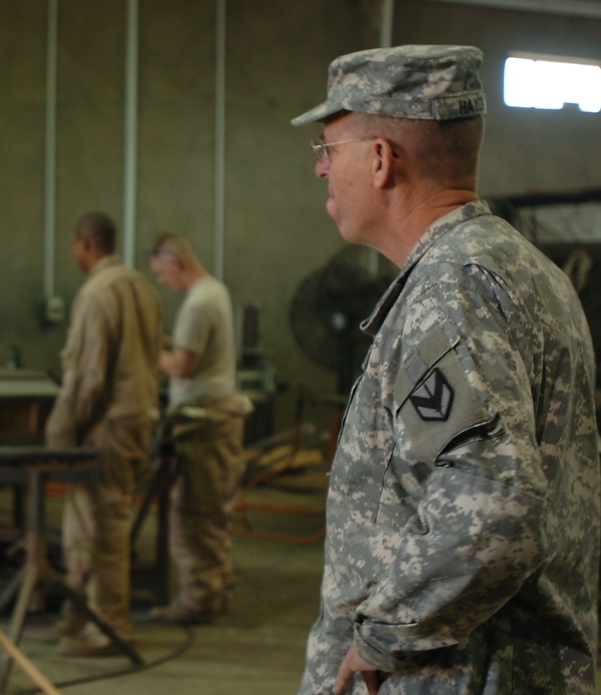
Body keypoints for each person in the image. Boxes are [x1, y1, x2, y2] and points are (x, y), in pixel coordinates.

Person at [291, 44, 599, 694]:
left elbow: (490, 508)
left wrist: (381, 637)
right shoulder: (523, 269)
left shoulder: (449, 288)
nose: (320, 171)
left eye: (328, 149)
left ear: (380, 160)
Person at [45, 211, 164, 657]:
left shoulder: (97, 293)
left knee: (104, 530)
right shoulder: (141, 286)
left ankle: (112, 628)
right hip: (136, 420)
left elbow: (87, 378)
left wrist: (58, 435)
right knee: (84, 524)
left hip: (106, 429)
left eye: (74, 246)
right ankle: (81, 615)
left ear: (85, 244)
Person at [146, 232, 251, 624]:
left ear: (174, 263)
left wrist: (148, 348)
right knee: (212, 512)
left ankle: (199, 601)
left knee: (193, 515)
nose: (163, 282)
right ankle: (216, 589)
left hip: (203, 422)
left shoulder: (197, 304)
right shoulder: (216, 291)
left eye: (161, 274)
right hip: (220, 416)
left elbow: (182, 367)